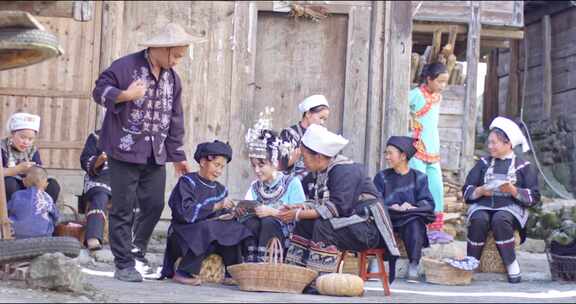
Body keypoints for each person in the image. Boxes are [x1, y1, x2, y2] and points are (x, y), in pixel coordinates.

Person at [92, 23, 202, 282]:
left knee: (154, 204)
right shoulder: (125, 66)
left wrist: (178, 155)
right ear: (159, 49)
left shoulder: (173, 78)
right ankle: (124, 264)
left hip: (156, 151)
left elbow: (175, 117)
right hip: (124, 149)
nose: (176, 62)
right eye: (175, 55)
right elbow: (99, 90)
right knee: (123, 208)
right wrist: (125, 95)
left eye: (180, 57)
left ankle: (136, 249)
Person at [280, 125, 399, 286]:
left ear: (319, 157)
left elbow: (336, 208)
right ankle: (296, 277)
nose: (303, 162)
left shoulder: (344, 171)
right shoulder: (323, 171)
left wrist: (297, 214)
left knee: (324, 225)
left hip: (367, 228)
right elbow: (319, 203)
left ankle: (319, 281)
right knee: (306, 223)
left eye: (305, 157)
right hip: (349, 223)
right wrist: (299, 208)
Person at [160, 140, 252, 286]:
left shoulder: (221, 189)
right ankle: (183, 272)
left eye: (222, 167)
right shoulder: (187, 182)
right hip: (183, 234)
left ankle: (231, 272)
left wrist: (231, 213)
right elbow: (185, 213)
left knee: (235, 228)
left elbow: (219, 218)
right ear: (203, 162)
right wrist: (216, 206)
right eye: (216, 165)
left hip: (208, 237)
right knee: (207, 228)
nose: (219, 171)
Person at [462, 117, 540, 283]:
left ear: (508, 144)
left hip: (510, 207)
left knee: (500, 219)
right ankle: (471, 262)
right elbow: (467, 189)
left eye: (494, 143)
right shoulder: (483, 163)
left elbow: (534, 196)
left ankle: (511, 263)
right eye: (489, 143)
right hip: (483, 204)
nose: (489, 146)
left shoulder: (523, 166)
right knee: (478, 219)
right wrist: (481, 190)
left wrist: (513, 190)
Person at [241, 111, 306, 262]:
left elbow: (300, 219)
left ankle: (267, 265)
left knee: (269, 221)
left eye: (261, 165)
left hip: (283, 242)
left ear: (275, 162)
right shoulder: (255, 186)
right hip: (258, 233)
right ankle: (249, 265)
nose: (256, 170)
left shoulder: (292, 183)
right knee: (250, 222)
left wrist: (273, 212)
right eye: (254, 165)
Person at [373, 136, 436, 283]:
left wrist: (412, 206)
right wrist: (389, 206)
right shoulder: (382, 177)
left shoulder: (419, 177)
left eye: (390, 153)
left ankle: (413, 264)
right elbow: (374, 199)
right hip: (389, 215)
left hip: (410, 215)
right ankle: (377, 261)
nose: (387, 157)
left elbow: (427, 202)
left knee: (415, 223)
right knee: (378, 219)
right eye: (386, 153)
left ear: (402, 156)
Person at [408, 63, 450, 241]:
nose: (442, 86)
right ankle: (418, 226)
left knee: (437, 188)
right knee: (420, 186)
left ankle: (435, 227)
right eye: (439, 81)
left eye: (445, 82)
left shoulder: (437, 98)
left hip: (433, 149)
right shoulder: (416, 95)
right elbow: (402, 109)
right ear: (429, 79)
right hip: (418, 148)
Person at [2, 112, 60, 203]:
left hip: (30, 184)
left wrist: (35, 172)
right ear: (12, 134)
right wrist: (17, 169)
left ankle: (43, 212)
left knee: (52, 184)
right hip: (11, 185)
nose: (26, 142)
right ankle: (12, 214)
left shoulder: (32, 150)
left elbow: (39, 169)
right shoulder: (2, 148)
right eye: (22, 137)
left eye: (30, 139)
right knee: (9, 183)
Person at [279, 95, 330, 181]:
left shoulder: (322, 135)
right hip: (293, 186)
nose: (322, 122)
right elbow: (277, 165)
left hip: (315, 187)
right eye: (320, 118)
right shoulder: (289, 134)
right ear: (308, 113)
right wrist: (292, 159)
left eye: (324, 119)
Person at [79, 130, 110, 251]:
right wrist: (99, 160)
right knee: (100, 195)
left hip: (120, 179)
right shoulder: (96, 136)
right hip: (98, 178)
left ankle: (128, 239)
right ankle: (93, 236)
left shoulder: (133, 136)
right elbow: (85, 160)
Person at [8, 165, 58, 239]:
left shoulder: (17, 195)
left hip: (17, 234)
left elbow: (8, 210)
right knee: (50, 216)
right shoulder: (47, 197)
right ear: (46, 185)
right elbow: (56, 216)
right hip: (43, 235)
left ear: (24, 182)